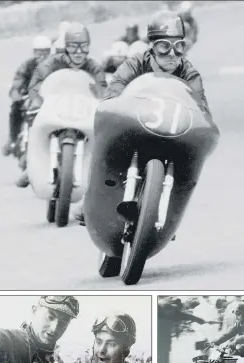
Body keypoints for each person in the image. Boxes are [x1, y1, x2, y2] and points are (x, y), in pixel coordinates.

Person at [73, 10, 217, 223]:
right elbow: (115, 90)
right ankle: (91, 198)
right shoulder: (135, 64)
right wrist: (112, 106)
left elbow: (201, 108)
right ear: (152, 46)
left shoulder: (189, 73)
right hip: (137, 126)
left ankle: (172, 210)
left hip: (172, 133)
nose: (171, 54)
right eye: (163, 46)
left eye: (178, 47)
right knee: (104, 143)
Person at [17, 22, 108, 188]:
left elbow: (102, 88)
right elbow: (36, 84)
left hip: (82, 108)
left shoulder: (94, 66)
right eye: (74, 47)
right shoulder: (51, 63)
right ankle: (31, 166)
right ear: (66, 47)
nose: (79, 52)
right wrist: (37, 99)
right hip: (56, 105)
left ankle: (103, 168)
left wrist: (104, 102)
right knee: (33, 116)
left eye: (84, 46)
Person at [1, 35, 52, 160]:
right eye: (39, 52)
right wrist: (17, 93)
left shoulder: (55, 65)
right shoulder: (27, 66)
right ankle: (13, 139)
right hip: (30, 98)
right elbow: (18, 81)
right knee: (15, 108)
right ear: (34, 52)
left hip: (51, 98)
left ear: (50, 52)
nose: (42, 55)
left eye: (45, 51)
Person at [158, 296, 213, 363]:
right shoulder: (169, 309)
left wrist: (199, 320)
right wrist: (199, 320)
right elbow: (186, 316)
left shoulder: (165, 308)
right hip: (162, 343)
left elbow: (186, 316)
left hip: (163, 343)